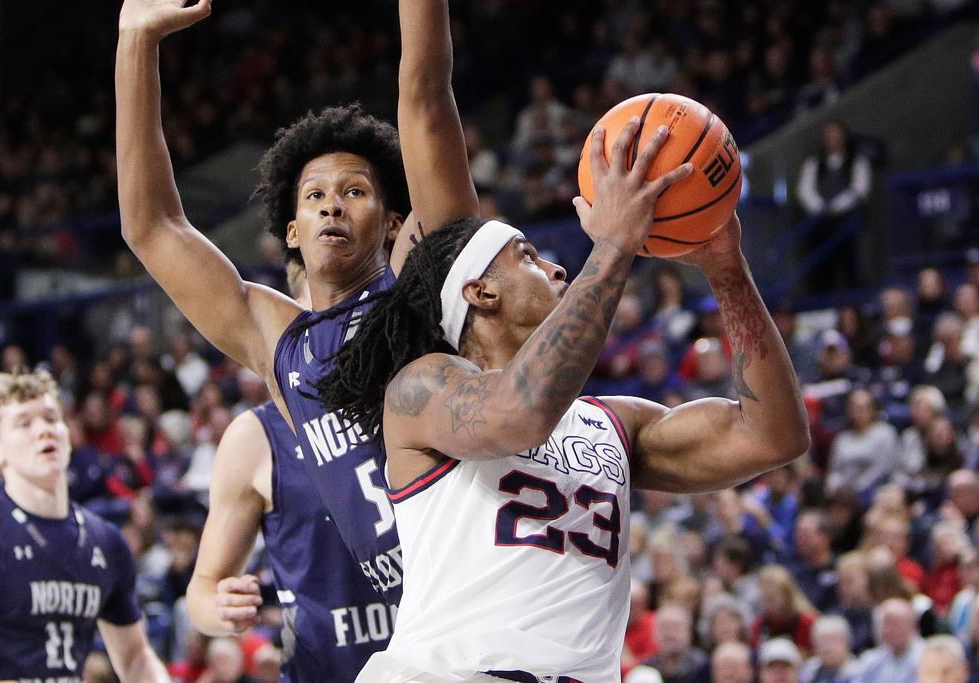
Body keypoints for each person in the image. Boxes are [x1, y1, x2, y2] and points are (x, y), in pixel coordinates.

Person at [315, 118, 810, 677]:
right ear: (481, 291)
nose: (555, 266)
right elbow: (519, 415)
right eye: (527, 256)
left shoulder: (615, 424)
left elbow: (773, 437)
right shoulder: (424, 388)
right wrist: (616, 241)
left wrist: (727, 270)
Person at [116, 0, 477, 613]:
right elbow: (151, 226)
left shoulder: (422, 285)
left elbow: (425, 97)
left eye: (354, 191)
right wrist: (134, 43)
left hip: (481, 579)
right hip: (415, 620)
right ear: (291, 231)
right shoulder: (280, 340)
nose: (332, 206)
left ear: (394, 222)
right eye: (315, 196)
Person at [0, 370, 170, 682]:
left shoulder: (106, 542)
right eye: (24, 423)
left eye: (51, 418)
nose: (44, 430)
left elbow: (136, 658)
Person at [186, 399, 394, 680]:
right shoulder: (254, 436)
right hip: (323, 669)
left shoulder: (402, 394)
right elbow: (203, 588)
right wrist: (223, 609)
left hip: (430, 659)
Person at [795, 120, 873, 294]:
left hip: (848, 223)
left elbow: (860, 190)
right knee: (821, 266)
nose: (833, 140)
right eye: (829, 136)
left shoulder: (857, 161)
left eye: (837, 135)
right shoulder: (814, 163)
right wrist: (820, 207)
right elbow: (804, 190)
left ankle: (856, 302)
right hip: (820, 224)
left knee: (853, 266)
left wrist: (836, 206)